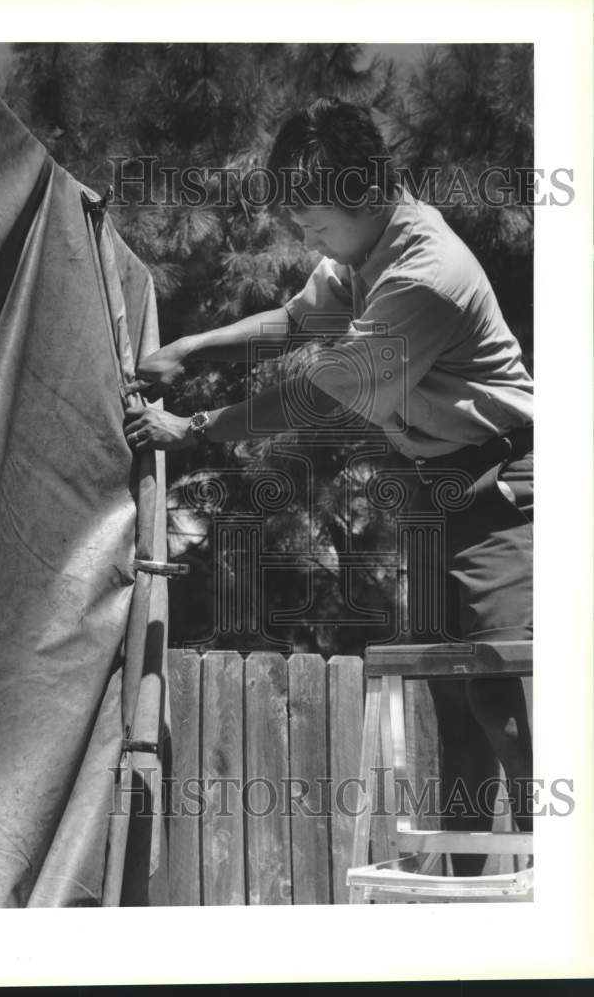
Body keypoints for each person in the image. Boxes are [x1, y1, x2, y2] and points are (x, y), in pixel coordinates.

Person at [123, 98, 533, 874]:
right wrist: (192, 347)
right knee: (453, 699)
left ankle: (563, 887)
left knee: (503, 688)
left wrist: (201, 425)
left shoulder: (426, 275)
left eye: (312, 225)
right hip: (438, 490)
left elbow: (325, 393)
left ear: (368, 192)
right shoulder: (360, 250)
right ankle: (466, 890)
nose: (304, 240)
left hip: (507, 489)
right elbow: (297, 321)